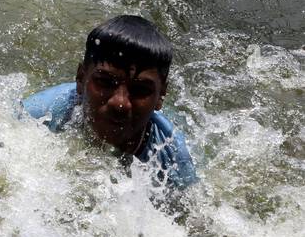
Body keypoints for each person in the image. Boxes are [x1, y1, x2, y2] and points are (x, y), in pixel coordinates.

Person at [22, 14, 197, 191]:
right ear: (81, 79)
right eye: (105, 82)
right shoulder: (40, 113)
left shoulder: (174, 157)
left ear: (161, 97)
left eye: (140, 90)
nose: (120, 103)